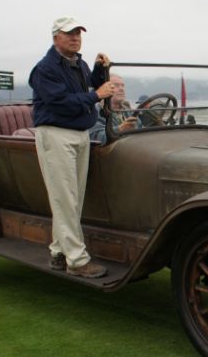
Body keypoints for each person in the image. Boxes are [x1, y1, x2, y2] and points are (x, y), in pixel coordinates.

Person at [29, 16, 115, 279]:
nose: (76, 37)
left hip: (79, 134)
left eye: (78, 33)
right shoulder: (45, 69)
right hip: (56, 134)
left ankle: (58, 251)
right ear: (56, 37)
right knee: (65, 198)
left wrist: (100, 70)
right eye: (69, 33)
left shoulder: (79, 64)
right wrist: (96, 95)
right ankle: (77, 260)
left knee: (71, 198)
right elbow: (61, 102)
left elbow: (89, 85)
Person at [88, 73, 139, 145]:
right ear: (105, 88)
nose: (121, 89)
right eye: (116, 85)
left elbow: (141, 129)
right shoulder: (96, 111)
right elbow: (96, 138)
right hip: (108, 153)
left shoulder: (128, 111)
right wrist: (120, 129)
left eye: (122, 85)